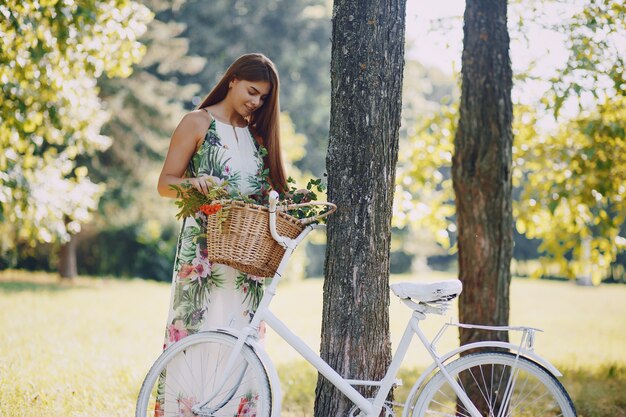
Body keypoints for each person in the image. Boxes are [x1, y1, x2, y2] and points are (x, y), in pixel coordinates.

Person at [154, 53, 286, 416]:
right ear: (232, 79)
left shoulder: (257, 134)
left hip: (248, 260)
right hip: (204, 256)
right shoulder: (197, 122)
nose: (255, 102)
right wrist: (194, 184)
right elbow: (165, 183)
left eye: (262, 98)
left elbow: (271, 192)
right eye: (251, 91)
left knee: (240, 340)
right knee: (199, 335)